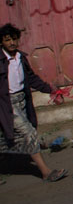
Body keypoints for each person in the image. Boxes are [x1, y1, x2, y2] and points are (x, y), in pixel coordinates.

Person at [0, 23, 67, 182]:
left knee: (8, 137)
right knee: (29, 133)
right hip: (6, 104)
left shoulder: (21, 58)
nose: (12, 43)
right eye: (8, 40)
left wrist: (50, 89)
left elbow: (31, 79)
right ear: (1, 41)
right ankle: (46, 172)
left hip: (22, 102)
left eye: (14, 39)